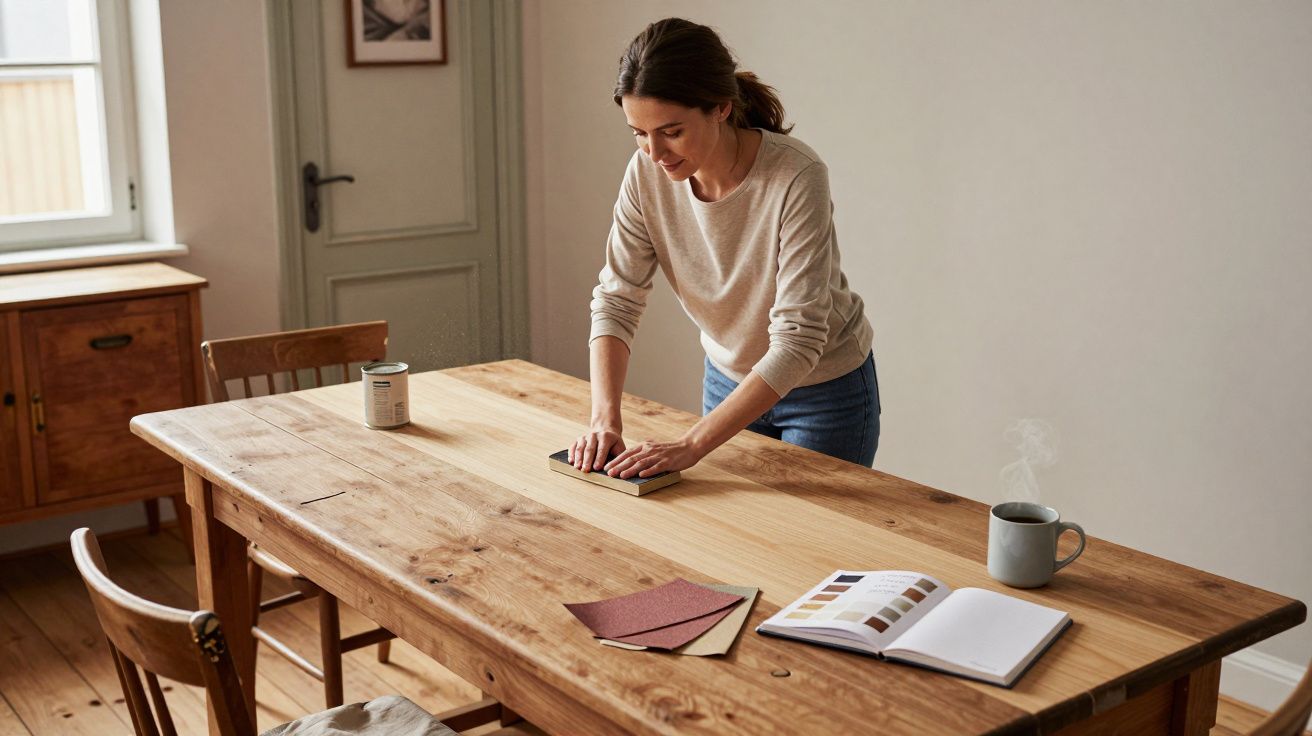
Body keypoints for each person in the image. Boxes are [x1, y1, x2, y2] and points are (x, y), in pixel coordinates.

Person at [570, 17, 879, 481]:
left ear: (719, 107)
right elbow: (616, 299)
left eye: (671, 131)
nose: (654, 152)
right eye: (638, 132)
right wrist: (604, 420)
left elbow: (798, 339)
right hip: (728, 382)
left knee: (807, 549)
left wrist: (692, 444)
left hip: (823, 393)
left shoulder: (796, 175)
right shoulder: (646, 173)